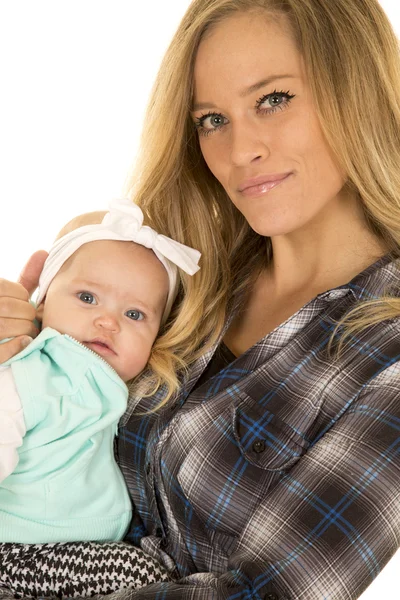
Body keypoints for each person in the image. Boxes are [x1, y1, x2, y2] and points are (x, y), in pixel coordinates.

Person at [1, 0, 400, 598]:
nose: (241, 151)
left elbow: (266, 593)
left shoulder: (387, 352)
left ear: (358, 92)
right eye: (212, 119)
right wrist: (19, 341)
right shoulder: (176, 276)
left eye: (274, 99)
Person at [0, 198, 200, 595]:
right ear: (41, 303)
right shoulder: (34, 375)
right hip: (19, 550)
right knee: (138, 574)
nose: (108, 321)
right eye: (87, 298)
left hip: (59, 548)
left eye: (134, 315)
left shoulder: (111, 387)